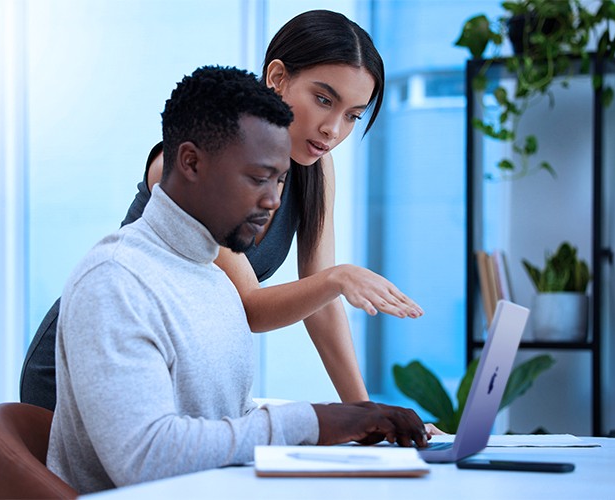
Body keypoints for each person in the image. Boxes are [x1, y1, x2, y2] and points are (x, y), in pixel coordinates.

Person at [46, 65, 429, 494]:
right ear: (191, 162)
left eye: (281, 179)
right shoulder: (115, 281)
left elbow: (225, 422)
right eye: (258, 178)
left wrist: (352, 419)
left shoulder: (211, 283)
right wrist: (317, 420)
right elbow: (147, 457)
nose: (273, 201)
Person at [21, 9, 422, 411]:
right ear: (278, 78)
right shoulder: (195, 162)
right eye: (323, 100)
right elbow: (248, 306)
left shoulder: (314, 167)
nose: (333, 130)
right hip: (93, 358)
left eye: (352, 116)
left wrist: (367, 413)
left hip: (168, 369)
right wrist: (339, 278)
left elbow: (320, 307)